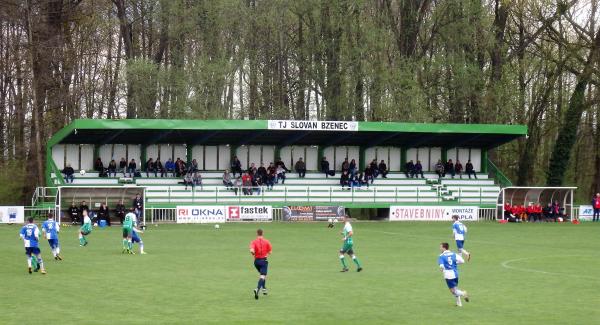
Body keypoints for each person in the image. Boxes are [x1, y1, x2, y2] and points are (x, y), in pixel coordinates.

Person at [438, 242, 469, 307]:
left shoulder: (441, 256)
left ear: (444, 248)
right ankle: (459, 303)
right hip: (455, 273)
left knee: (453, 291)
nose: (439, 248)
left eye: (440, 247)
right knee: (455, 288)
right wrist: (454, 264)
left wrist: (441, 269)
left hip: (448, 275)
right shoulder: (454, 254)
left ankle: (463, 293)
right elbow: (462, 261)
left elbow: (441, 266)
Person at [250, 228, 272, 300]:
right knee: (262, 276)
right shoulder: (266, 241)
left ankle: (264, 289)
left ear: (257, 233)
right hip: (263, 261)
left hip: (256, 262)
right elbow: (270, 252)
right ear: (263, 233)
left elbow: (252, 250)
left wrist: (253, 252)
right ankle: (257, 289)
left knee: (262, 276)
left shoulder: (253, 242)